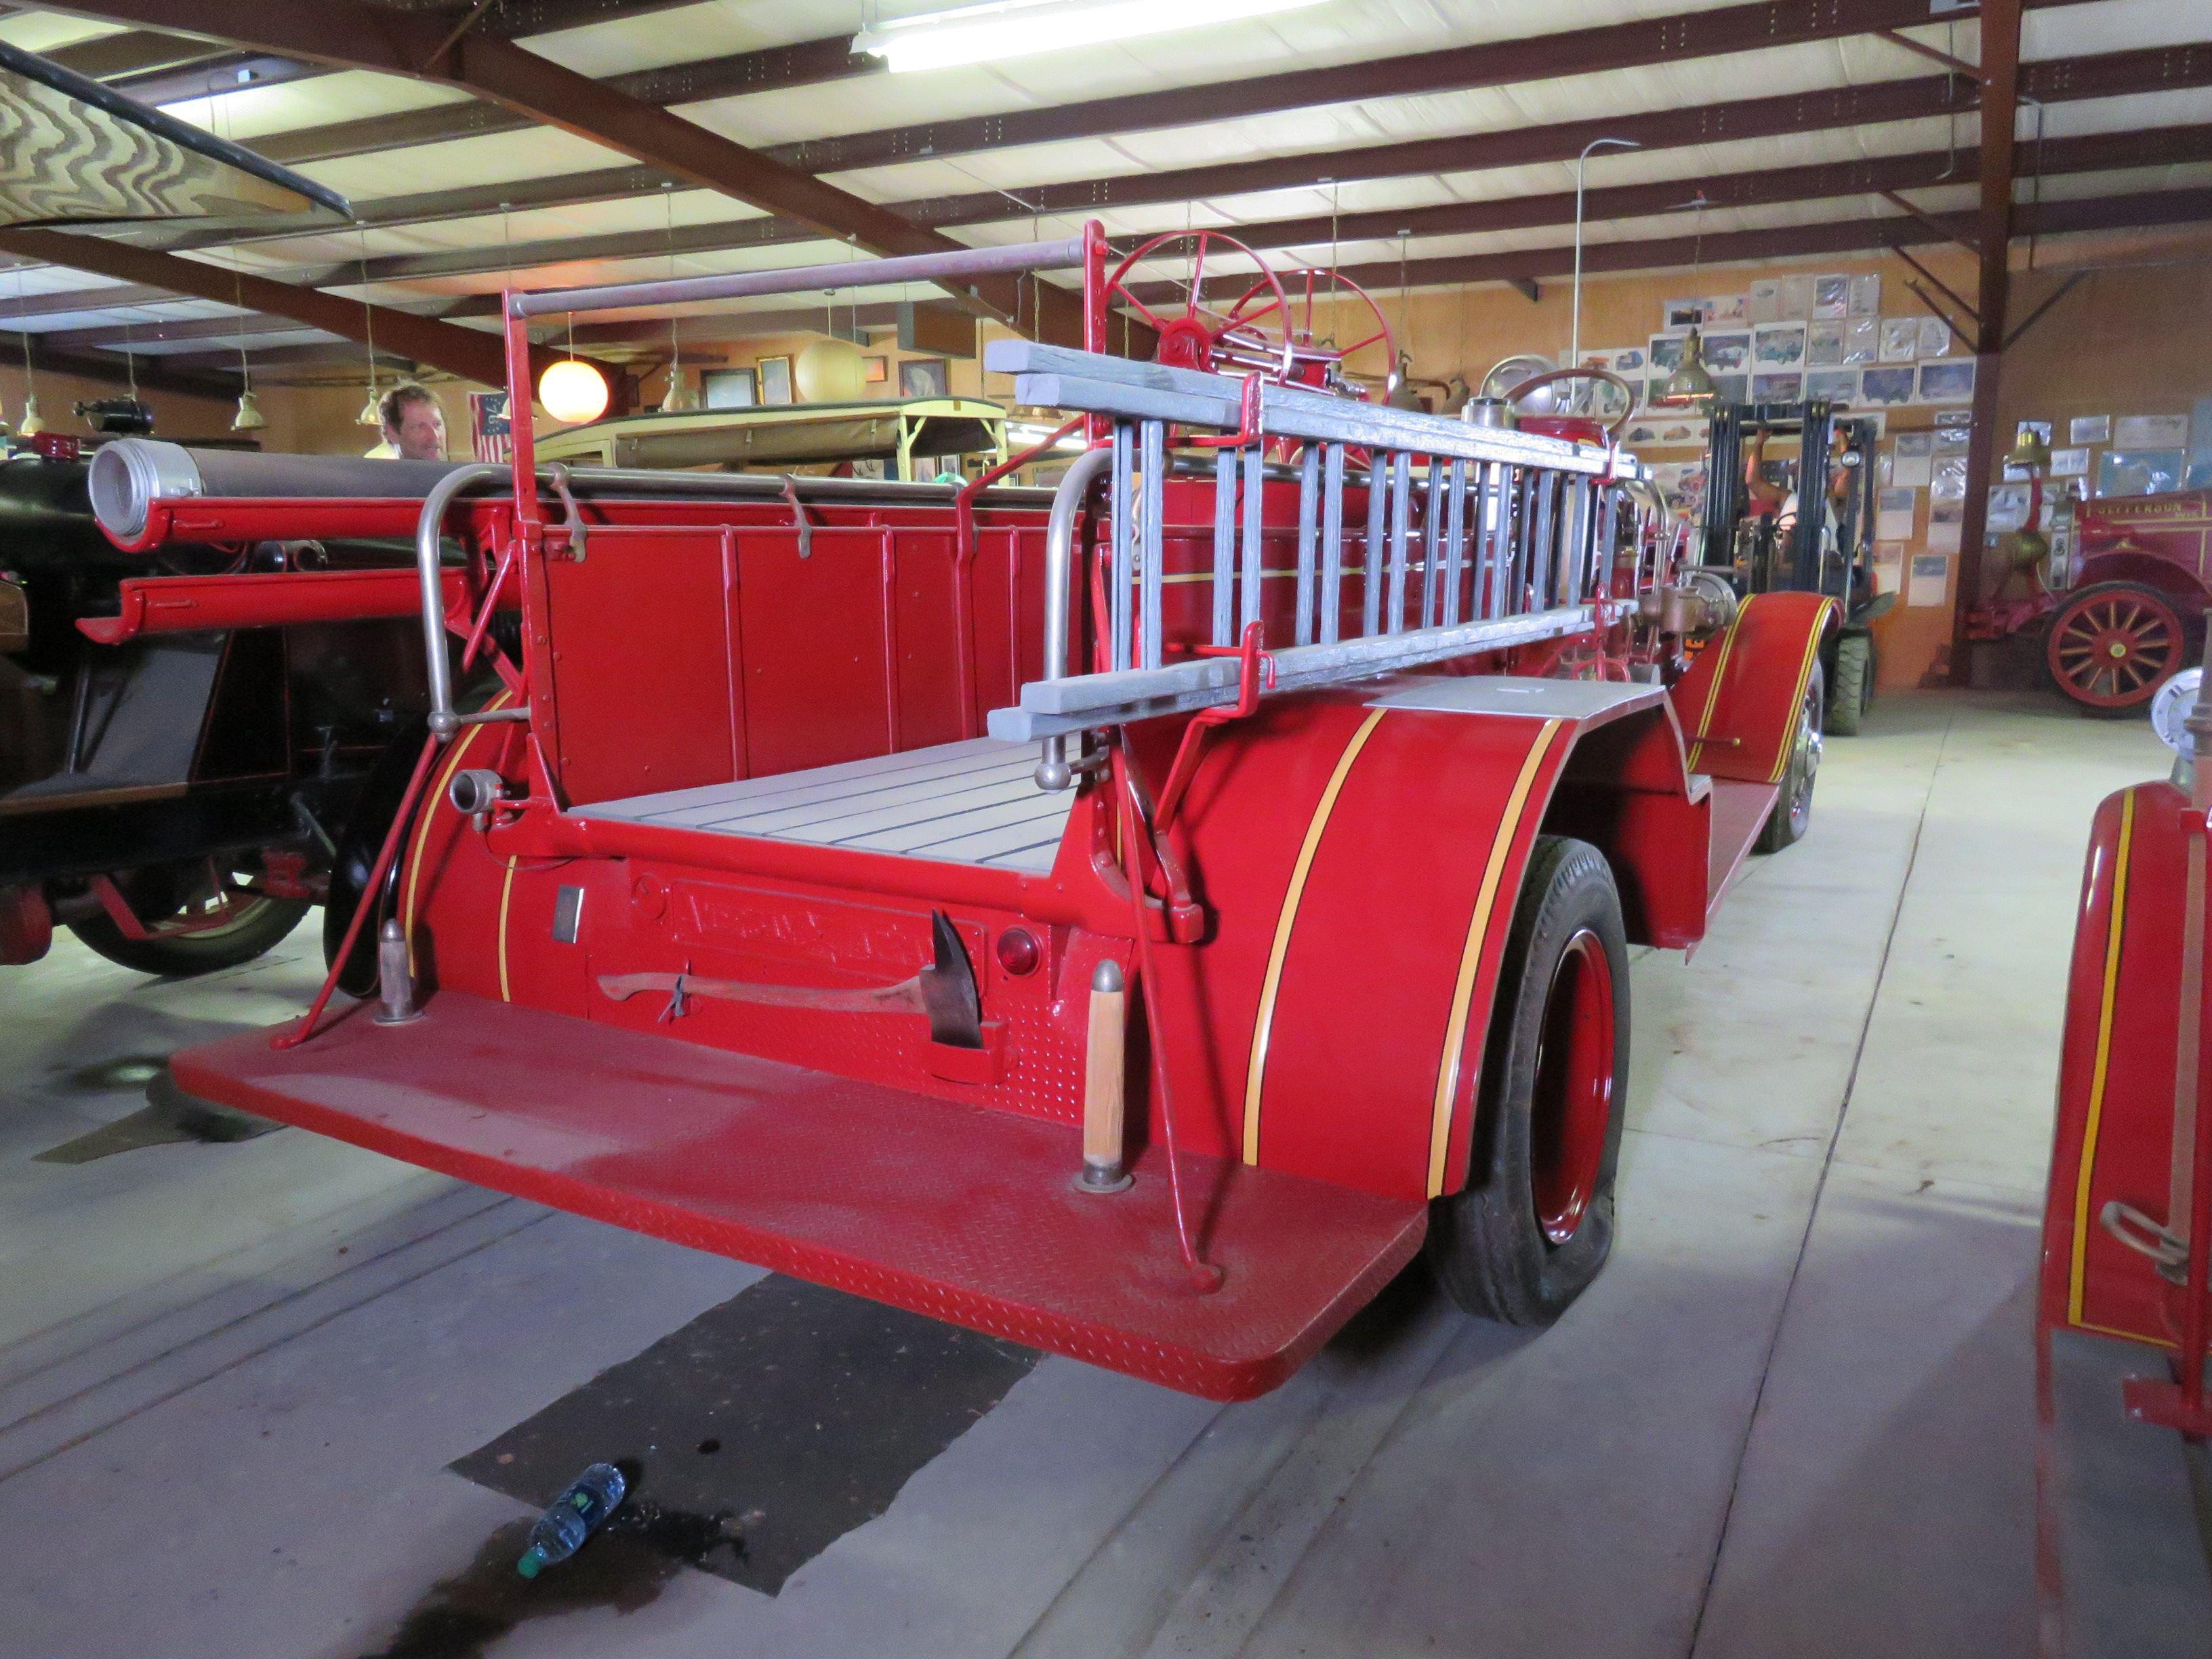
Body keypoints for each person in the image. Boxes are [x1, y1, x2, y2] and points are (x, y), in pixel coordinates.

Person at [366, 382, 447, 462]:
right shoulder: (376, 474)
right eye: (420, 427)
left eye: (438, 425)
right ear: (392, 433)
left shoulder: (458, 474)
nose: (435, 436)